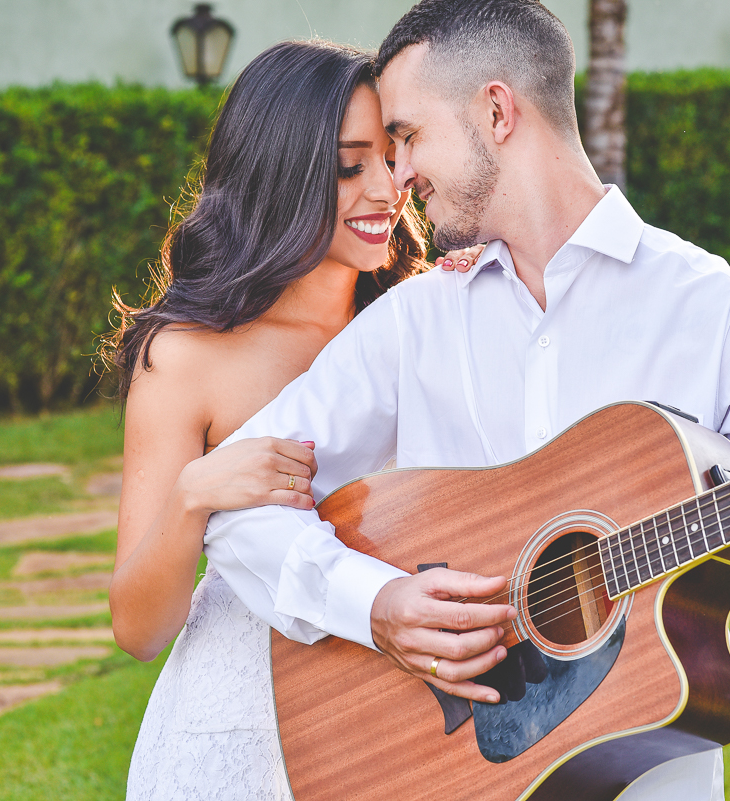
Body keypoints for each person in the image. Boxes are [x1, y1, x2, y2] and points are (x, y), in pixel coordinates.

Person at [202, 1, 730, 798]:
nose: (397, 175)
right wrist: (376, 602)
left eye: (406, 137)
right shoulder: (413, 323)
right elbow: (241, 504)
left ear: (496, 112)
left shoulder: (727, 315)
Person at [106, 40, 481, 800]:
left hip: (408, 714)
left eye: (393, 155)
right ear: (282, 171)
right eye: (352, 166)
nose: (388, 189)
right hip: (240, 727)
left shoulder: (427, 317)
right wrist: (192, 494)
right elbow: (139, 630)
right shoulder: (184, 358)